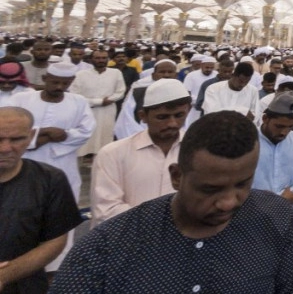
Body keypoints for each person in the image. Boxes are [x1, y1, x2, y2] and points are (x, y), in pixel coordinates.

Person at [27, 111, 293, 294]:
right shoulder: (102, 251)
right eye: (210, 189)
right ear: (177, 176)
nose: (229, 201)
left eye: (242, 184)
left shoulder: (274, 216)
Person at [0, 106, 83, 294]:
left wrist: (5, 275)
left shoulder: (49, 180)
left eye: (16, 139)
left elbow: (55, 241)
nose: (6, 148)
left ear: (30, 137)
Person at [90, 79, 191, 226]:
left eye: (179, 115)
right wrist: (162, 225)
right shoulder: (113, 153)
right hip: (127, 241)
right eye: (162, 117)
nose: (172, 123)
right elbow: (106, 209)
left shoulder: (199, 151)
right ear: (143, 116)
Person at [14, 62, 95, 206]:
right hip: (26, 160)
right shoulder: (22, 99)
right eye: (55, 82)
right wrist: (46, 132)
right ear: (45, 78)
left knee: (60, 205)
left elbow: (86, 130)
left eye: (65, 83)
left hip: (62, 162)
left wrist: (48, 138)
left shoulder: (79, 102)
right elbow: (12, 128)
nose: (59, 87)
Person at [253, 92, 293, 205]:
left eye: (290, 127)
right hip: (253, 211)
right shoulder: (248, 139)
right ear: (265, 119)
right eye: (279, 126)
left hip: (286, 211)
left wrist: (285, 198)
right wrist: (276, 201)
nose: (284, 132)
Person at [71, 47, 127, 157]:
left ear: (108, 59)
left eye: (104, 58)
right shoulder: (81, 74)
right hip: (87, 110)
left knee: (105, 134)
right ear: (91, 59)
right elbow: (75, 94)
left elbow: (121, 91)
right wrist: (99, 102)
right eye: (97, 58)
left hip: (108, 110)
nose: (101, 60)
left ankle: (102, 157)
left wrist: (110, 99)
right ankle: (84, 158)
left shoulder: (115, 73)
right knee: (87, 134)